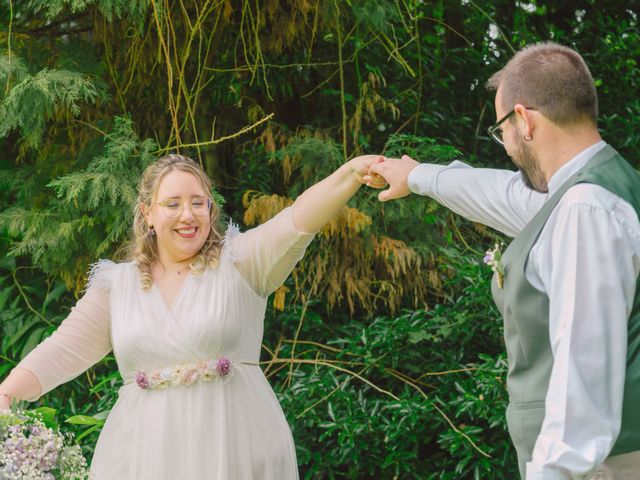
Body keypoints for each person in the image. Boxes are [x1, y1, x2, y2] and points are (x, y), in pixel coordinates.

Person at [0, 153, 385, 479]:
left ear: (210, 208)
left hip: (234, 450)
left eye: (198, 202)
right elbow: (62, 351)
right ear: (148, 213)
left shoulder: (243, 263)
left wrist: (350, 173)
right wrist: (5, 395)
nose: (188, 215)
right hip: (140, 458)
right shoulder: (117, 287)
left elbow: (299, 220)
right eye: (172, 204)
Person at [365, 42, 640, 479]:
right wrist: (417, 176)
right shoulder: (597, 189)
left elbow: (583, 369)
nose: (506, 145)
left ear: (525, 120)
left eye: (502, 130)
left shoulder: (586, 208)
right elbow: (502, 195)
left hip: (603, 466)